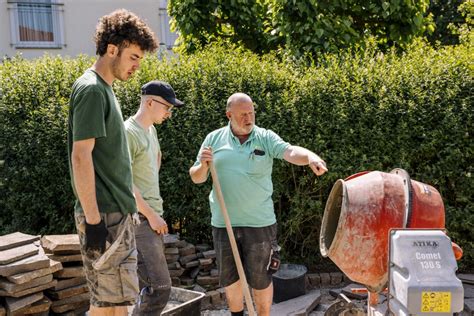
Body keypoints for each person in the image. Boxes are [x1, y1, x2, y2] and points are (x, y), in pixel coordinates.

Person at [189, 93, 328, 316]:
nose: (249, 118)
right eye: (243, 114)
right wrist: (203, 166)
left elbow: (290, 151)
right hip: (224, 223)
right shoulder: (213, 139)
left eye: (252, 112)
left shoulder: (264, 137)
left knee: (261, 280)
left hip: (260, 224)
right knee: (231, 280)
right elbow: (196, 177)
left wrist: (310, 157)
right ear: (229, 115)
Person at [67, 9, 157, 316]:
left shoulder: (105, 89)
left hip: (115, 215)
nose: (136, 66)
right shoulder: (92, 89)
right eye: (133, 57)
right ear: (111, 49)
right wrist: (93, 222)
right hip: (104, 217)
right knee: (109, 309)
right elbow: (81, 157)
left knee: (114, 306)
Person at [125, 81, 184, 315]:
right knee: (159, 289)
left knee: (147, 288)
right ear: (150, 102)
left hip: (150, 216)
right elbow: (125, 182)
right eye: (166, 107)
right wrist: (151, 215)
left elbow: (155, 161)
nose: (169, 113)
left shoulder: (151, 129)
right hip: (140, 219)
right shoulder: (128, 132)